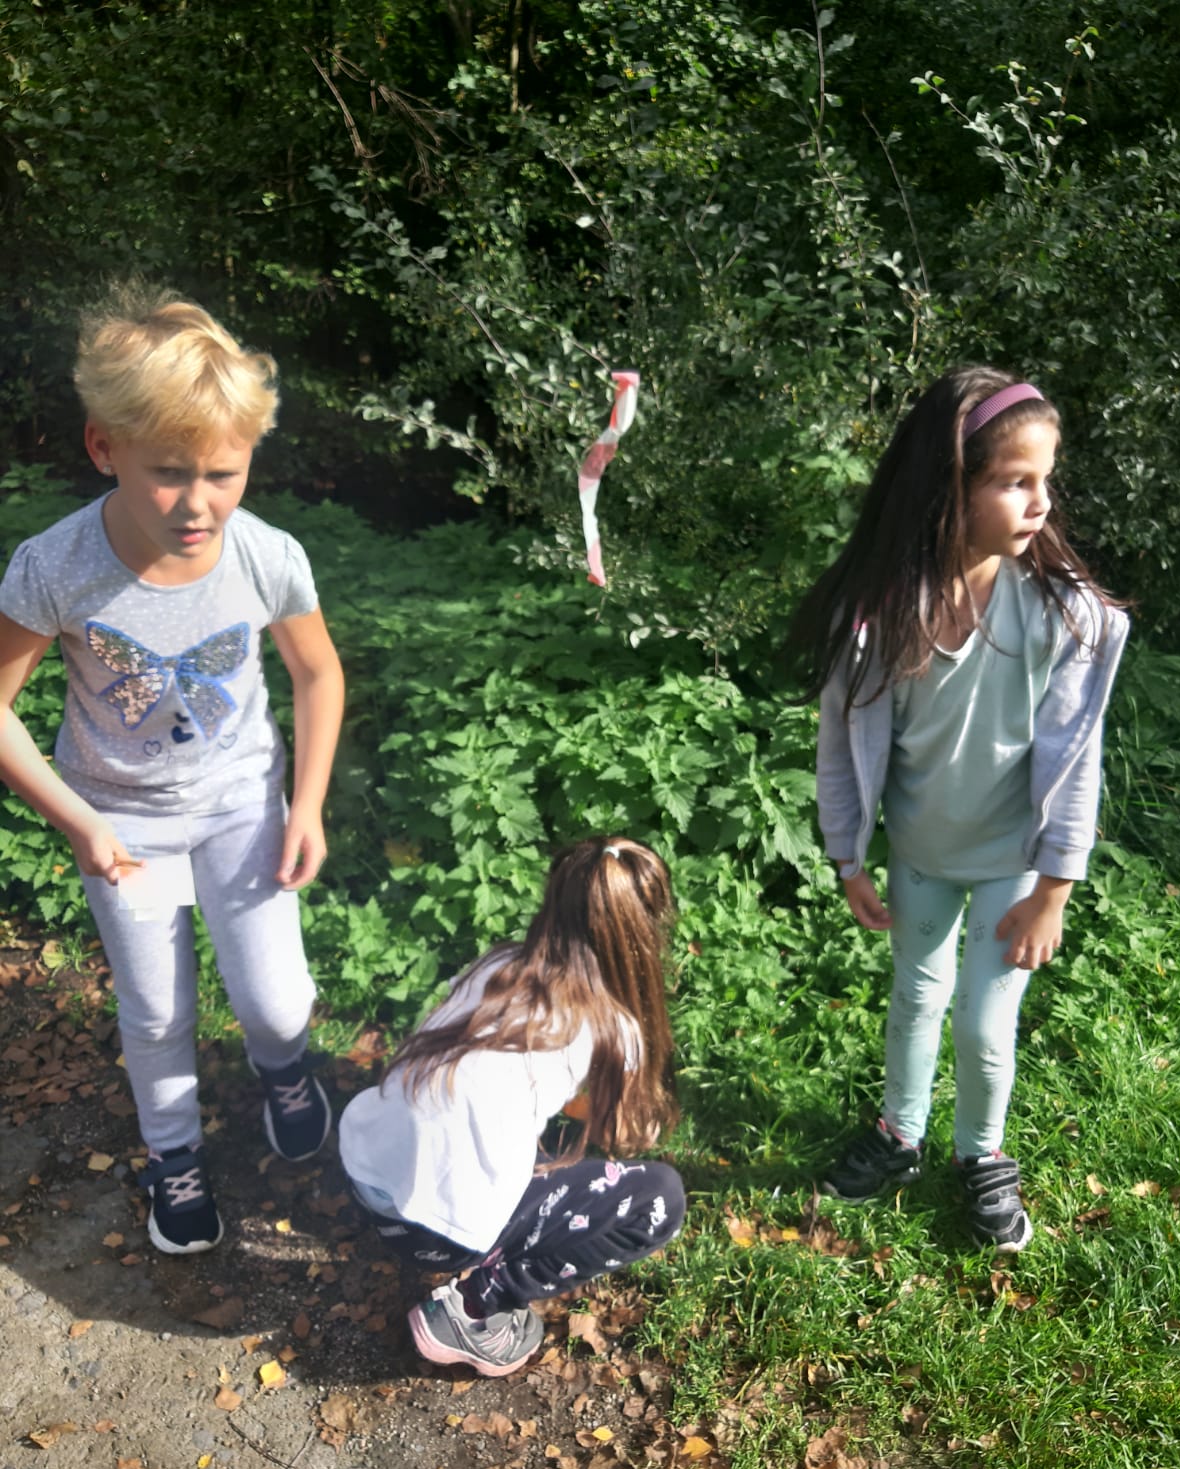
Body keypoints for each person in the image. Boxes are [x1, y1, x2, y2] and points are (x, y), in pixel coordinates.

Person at [0, 287, 344, 1255]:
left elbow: (318, 674)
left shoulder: (266, 554)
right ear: (103, 446)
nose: (198, 504)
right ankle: (174, 1153)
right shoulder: (55, 567)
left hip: (242, 803)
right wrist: (79, 820)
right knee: (156, 1009)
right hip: (122, 822)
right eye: (167, 473)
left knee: (276, 999)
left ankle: (285, 1070)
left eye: (223, 474)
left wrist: (307, 804)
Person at [786, 368, 1128, 1252]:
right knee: (915, 999)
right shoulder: (880, 617)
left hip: (1014, 862)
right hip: (921, 855)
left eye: (1045, 480)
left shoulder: (1057, 616)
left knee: (982, 1023)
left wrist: (1055, 890)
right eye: (1015, 481)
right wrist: (847, 857)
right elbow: (841, 747)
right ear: (951, 489)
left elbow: (1075, 759)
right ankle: (900, 1135)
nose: (1040, 502)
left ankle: (980, 1155)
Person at [339, 836, 687, 1377]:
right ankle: (475, 1306)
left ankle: (470, 1234)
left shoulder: (500, 965)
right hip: (435, 1237)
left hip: (366, 1175)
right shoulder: (614, 1028)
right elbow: (619, 1132)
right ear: (644, 933)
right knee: (660, 1198)